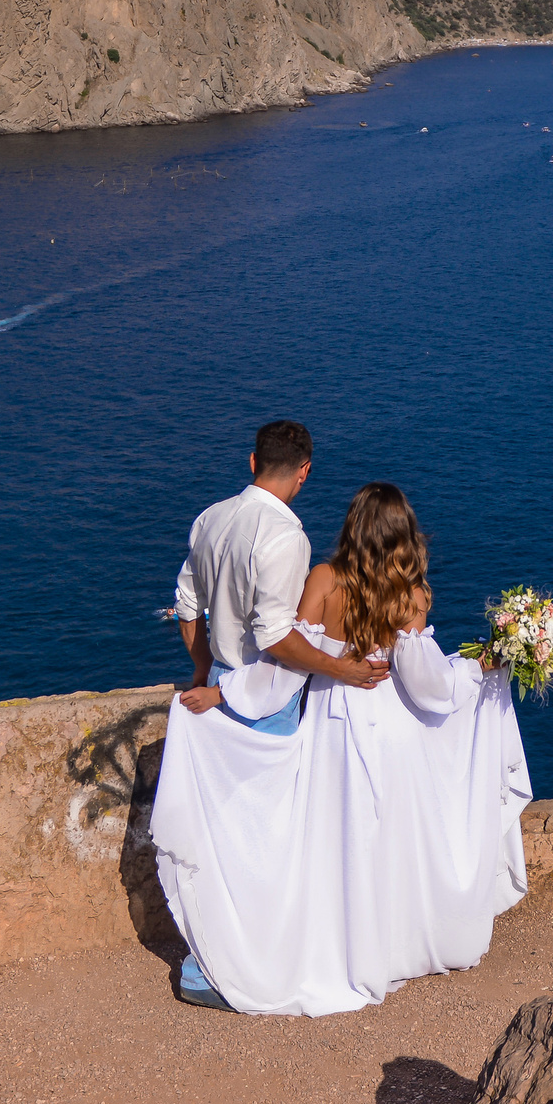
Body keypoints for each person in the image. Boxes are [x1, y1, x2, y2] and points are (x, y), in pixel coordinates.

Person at [150, 474, 529, 1016]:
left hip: (333, 730)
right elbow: (429, 686)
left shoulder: (324, 580)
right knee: (387, 840)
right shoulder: (412, 593)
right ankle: (392, 948)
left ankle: (346, 951)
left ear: (353, 526)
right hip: (394, 731)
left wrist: (223, 692)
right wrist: (479, 669)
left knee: (341, 841)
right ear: (405, 535)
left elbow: (285, 662)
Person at [157, 421, 386, 1010]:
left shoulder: (209, 518)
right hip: (266, 699)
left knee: (222, 838)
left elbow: (187, 606)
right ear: (304, 471)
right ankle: (245, 969)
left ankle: (204, 964)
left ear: (253, 459)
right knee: (264, 841)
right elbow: (278, 639)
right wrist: (341, 670)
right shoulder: (287, 535)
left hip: (220, 692)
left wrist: (206, 672)